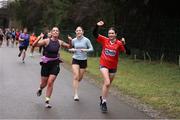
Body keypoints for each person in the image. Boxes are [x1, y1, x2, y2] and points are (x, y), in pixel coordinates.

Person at [93, 21, 130, 113]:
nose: (110, 35)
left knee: (107, 85)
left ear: (116, 34)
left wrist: (124, 44)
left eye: (112, 33)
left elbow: (128, 53)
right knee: (107, 82)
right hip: (104, 65)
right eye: (109, 33)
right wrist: (97, 26)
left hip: (113, 67)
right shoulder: (105, 40)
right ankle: (104, 103)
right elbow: (95, 34)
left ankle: (102, 98)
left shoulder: (119, 43)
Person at [33, 27, 71, 108]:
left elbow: (69, 47)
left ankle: (47, 101)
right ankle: (40, 88)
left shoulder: (60, 42)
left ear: (58, 33)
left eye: (57, 31)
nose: (55, 32)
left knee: (50, 82)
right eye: (54, 30)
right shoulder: (47, 41)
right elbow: (34, 45)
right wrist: (39, 37)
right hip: (46, 64)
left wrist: (70, 40)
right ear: (51, 32)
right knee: (44, 83)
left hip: (55, 64)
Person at [68, 26, 94, 101]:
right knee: (76, 76)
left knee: (80, 78)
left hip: (83, 60)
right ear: (75, 32)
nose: (78, 32)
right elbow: (69, 48)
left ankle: (76, 81)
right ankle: (76, 94)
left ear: (83, 32)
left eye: (80, 31)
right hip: (75, 59)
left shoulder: (86, 40)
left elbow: (91, 49)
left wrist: (85, 49)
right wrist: (72, 49)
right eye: (77, 31)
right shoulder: (74, 40)